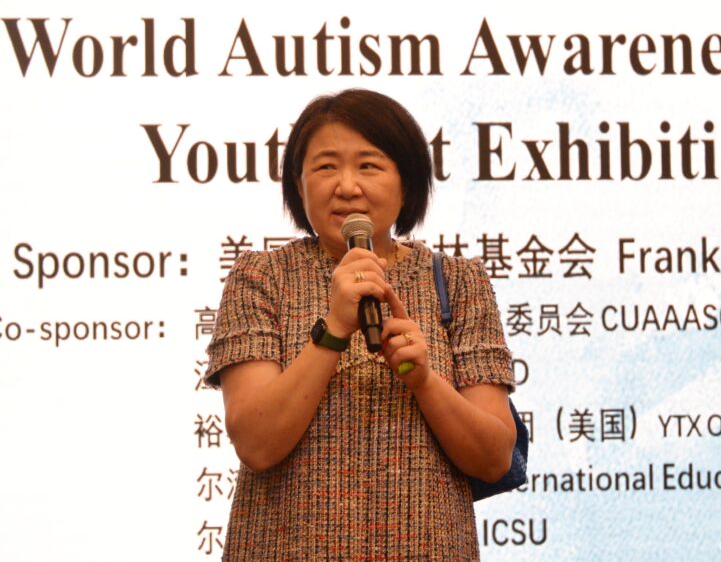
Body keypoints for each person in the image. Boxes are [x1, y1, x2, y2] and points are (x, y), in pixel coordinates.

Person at [204, 88, 516, 560]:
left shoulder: (459, 282)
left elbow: (493, 459)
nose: (347, 186)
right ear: (299, 185)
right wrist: (333, 328)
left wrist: (424, 380)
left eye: (369, 166)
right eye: (326, 167)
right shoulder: (261, 277)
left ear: (407, 182)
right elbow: (256, 444)